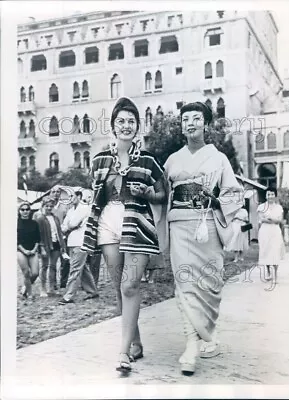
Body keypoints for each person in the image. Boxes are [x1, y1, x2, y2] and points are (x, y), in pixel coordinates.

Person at [81, 97, 166, 373]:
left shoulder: (149, 161)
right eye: (121, 121)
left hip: (137, 223)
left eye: (131, 121)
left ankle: (123, 353)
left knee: (130, 286)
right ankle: (136, 343)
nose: (126, 126)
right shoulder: (99, 160)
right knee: (120, 290)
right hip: (109, 223)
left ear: (137, 126)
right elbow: (96, 195)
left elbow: (163, 193)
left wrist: (148, 192)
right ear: (113, 127)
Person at [163, 102, 243, 375]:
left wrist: (216, 199)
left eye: (197, 118)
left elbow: (235, 193)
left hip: (207, 225)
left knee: (209, 284)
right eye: (186, 119)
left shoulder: (219, 158)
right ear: (182, 125)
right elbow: (163, 196)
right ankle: (190, 344)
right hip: (180, 226)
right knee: (184, 283)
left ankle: (206, 334)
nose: (191, 123)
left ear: (206, 124)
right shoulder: (172, 160)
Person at [58, 191, 99, 304]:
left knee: (75, 268)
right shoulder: (71, 210)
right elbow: (63, 226)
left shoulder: (84, 208)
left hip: (81, 242)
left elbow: (72, 224)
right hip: (71, 242)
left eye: (72, 196)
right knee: (82, 268)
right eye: (69, 196)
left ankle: (68, 296)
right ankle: (92, 291)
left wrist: (69, 226)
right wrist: (68, 226)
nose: (70, 198)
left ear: (79, 196)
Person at [36, 196, 66, 297]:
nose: (49, 208)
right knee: (44, 267)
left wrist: (62, 245)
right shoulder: (40, 218)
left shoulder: (55, 218)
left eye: (51, 206)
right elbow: (38, 234)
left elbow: (59, 233)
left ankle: (51, 288)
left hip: (56, 243)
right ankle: (43, 288)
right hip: (46, 244)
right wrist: (42, 247)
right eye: (47, 206)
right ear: (43, 206)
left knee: (53, 266)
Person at [257, 188, 285, 284]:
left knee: (275, 251)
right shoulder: (261, 207)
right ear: (266, 196)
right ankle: (268, 272)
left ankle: (276, 276)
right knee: (266, 251)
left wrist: (270, 218)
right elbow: (261, 219)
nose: (270, 196)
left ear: (275, 195)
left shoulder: (279, 208)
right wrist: (273, 219)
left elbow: (280, 220)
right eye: (268, 194)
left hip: (275, 231)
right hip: (265, 231)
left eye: (272, 194)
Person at [17, 201, 41, 299]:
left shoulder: (34, 223)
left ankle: (25, 287)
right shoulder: (16, 223)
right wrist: (24, 251)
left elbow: (37, 239)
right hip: (20, 250)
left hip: (33, 250)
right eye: (23, 210)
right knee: (26, 272)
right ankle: (30, 294)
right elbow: (16, 241)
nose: (25, 211)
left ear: (30, 211)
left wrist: (34, 249)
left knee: (35, 273)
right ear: (19, 211)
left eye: (27, 209)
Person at [50, 185, 71, 289]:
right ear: (50, 193)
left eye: (58, 192)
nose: (56, 194)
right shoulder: (47, 205)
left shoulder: (65, 206)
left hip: (63, 236)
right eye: (53, 192)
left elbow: (68, 220)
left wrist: (64, 232)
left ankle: (64, 282)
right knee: (52, 262)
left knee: (65, 260)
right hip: (51, 238)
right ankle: (53, 283)